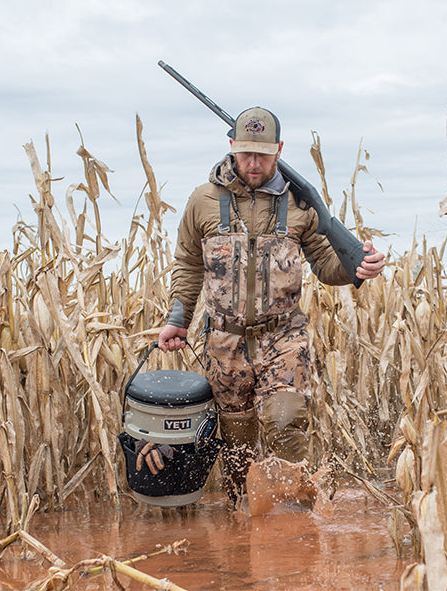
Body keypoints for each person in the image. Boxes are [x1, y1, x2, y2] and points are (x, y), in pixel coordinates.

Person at [157, 106, 385, 501]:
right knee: (237, 446)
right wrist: (178, 318)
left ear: (279, 150)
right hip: (224, 345)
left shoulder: (300, 205)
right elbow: (189, 264)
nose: (254, 162)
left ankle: (296, 525)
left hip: (284, 337)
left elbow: (326, 263)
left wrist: (358, 269)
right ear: (231, 146)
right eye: (245, 153)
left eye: (263, 154)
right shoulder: (203, 201)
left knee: (284, 424)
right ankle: (242, 525)